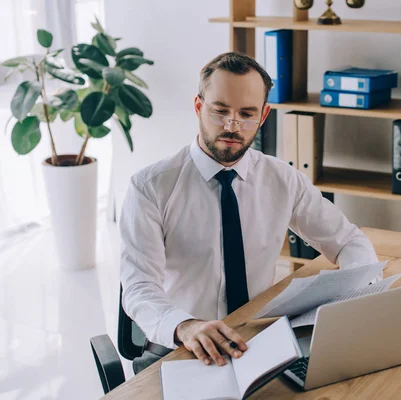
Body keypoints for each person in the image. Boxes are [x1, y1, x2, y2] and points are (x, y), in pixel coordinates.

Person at [119, 51, 379, 373]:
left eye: (246, 114)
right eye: (220, 111)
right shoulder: (150, 187)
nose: (232, 126)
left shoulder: (283, 179)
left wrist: (355, 293)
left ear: (264, 115)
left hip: (256, 342)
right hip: (182, 347)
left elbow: (349, 241)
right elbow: (139, 288)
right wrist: (185, 326)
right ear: (199, 107)